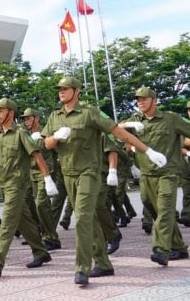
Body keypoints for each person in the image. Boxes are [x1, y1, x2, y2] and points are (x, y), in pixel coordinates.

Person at [41, 77, 167, 286]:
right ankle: (103, 263)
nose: (61, 92)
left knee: (81, 218)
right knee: (88, 219)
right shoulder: (55, 116)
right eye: (59, 89)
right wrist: (55, 137)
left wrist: (148, 150)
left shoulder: (90, 112)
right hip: (68, 174)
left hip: (89, 173)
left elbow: (118, 132)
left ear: (77, 90)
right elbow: (46, 144)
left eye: (66, 88)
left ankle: (82, 267)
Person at [121, 87, 190, 266]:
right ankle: (179, 247)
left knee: (165, 209)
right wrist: (129, 128)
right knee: (155, 209)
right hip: (146, 174)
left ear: (154, 100)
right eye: (138, 99)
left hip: (167, 173)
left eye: (144, 99)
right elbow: (117, 129)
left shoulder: (170, 119)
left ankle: (161, 249)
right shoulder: (135, 120)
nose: (140, 102)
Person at [0, 99, 55, 278]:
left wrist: (47, 179)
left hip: (18, 184)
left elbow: (37, 155)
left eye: (1, 111)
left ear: (11, 113)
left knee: (7, 222)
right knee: (24, 220)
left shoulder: (21, 133)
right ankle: (40, 252)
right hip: (3, 185)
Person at [20, 108, 62, 251]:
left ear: (36, 118)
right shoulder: (24, 135)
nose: (26, 121)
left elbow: (58, 150)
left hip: (46, 173)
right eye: (24, 119)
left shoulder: (46, 132)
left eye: (29, 118)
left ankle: (51, 238)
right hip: (31, 175)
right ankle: (40, 232)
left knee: (41, 204)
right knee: (28, 203)